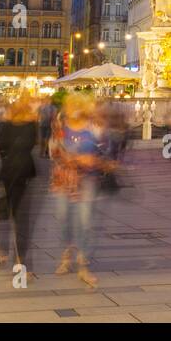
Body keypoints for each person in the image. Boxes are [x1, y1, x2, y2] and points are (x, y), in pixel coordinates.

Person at [49, 93, 112, 288]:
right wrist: (61, 155)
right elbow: (52, 150)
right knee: (63, 219)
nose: (72, 108)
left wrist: (94, 160)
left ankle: (83, 263)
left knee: (85, 221)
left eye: (76, 105)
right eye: (70, 105)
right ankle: (67, 253)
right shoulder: (60, 125)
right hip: (63, 179)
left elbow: (107, 156)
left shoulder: (95, 127)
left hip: (87, 180)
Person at [0, 95, 40, 277]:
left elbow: (2, 148)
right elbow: (31, 144)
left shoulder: (6, 125)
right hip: (24, 173)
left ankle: (2, 252)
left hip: (7, 173)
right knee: (22, 220)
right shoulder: (31, 126)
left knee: (6, 213)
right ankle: (21, 262)